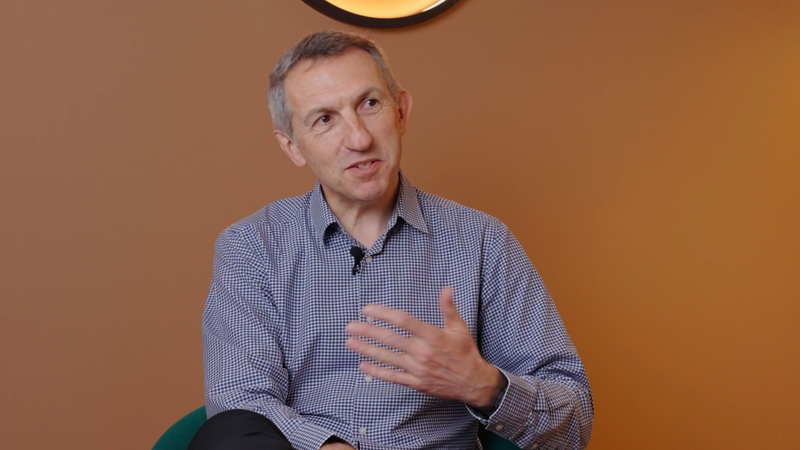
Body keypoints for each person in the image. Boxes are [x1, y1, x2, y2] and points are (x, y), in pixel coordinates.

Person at [190, 31, 593, 450]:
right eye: (325, 119)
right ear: (292, 146)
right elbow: (240, 400)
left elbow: (575, 418)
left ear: (401, 112)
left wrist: (484, 385)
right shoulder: (251, 246)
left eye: (369, 104)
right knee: (225, 434)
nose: (359, 139)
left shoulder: (482, 241)